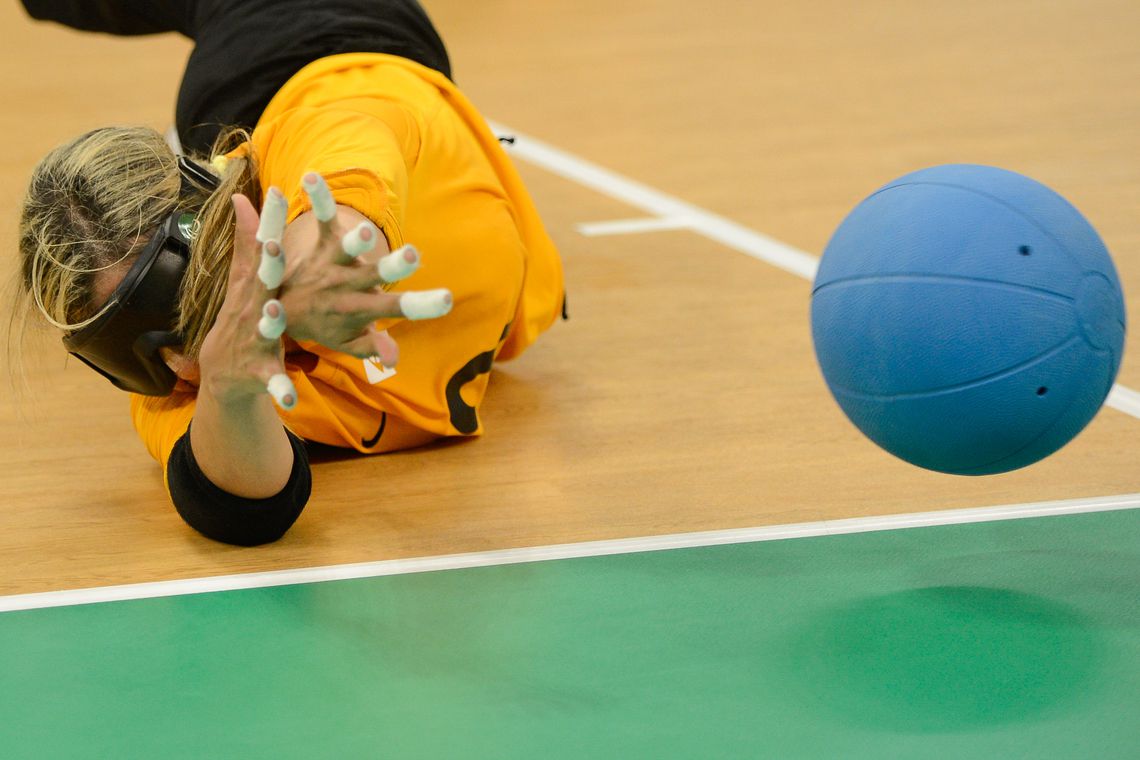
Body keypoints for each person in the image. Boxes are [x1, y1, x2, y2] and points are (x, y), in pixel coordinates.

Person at [15, 0, 566, 546]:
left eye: (177, 311)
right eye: (127, 349)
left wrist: (313, 274)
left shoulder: (326, 136)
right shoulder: (179, 392)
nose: (181, 366)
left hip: (316, 34)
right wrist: (231, 391)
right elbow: (242, 510)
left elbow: (343, 188)